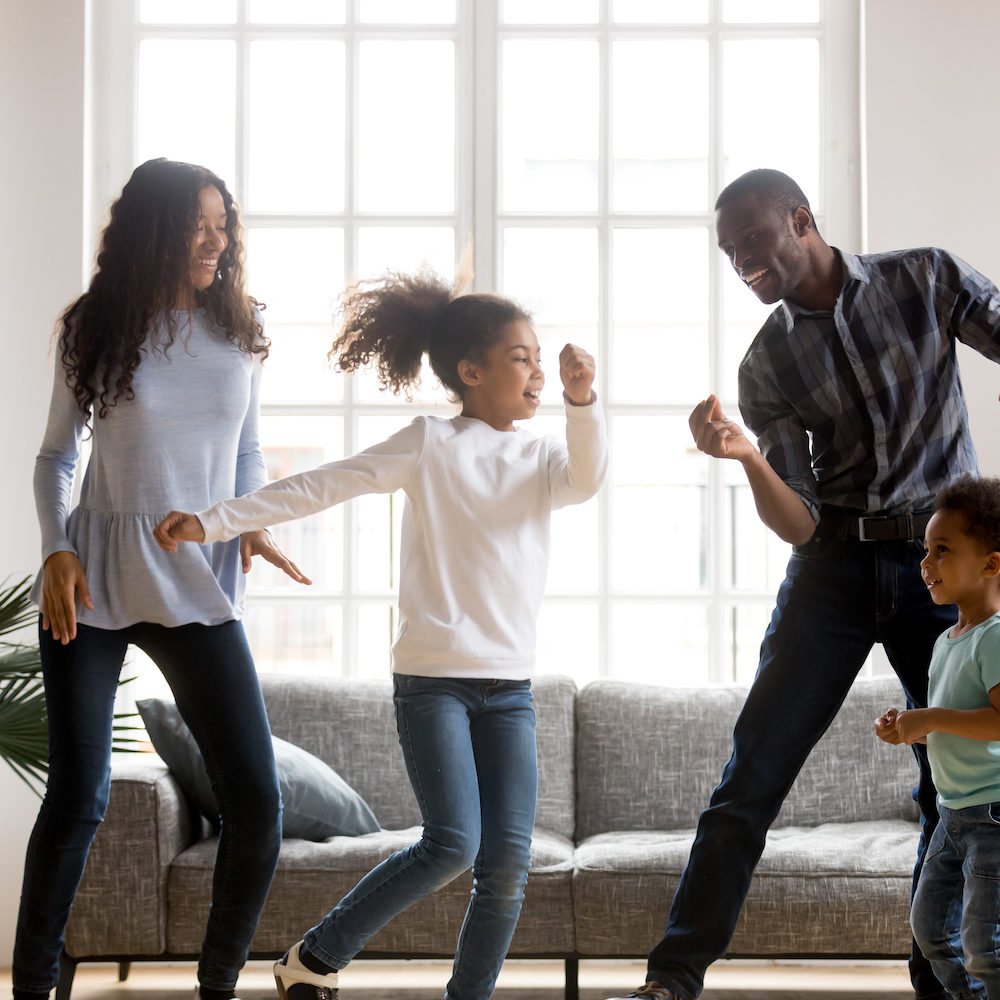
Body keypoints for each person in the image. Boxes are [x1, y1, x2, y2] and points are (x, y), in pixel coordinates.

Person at [154, 269, 609, 1000]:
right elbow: (323, 483)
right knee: (453, 843)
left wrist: (584, 402)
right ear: (471, 370)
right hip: (433, 683)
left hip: (512, 689)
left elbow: (587, 478)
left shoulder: (543, 457)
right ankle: (317, 953)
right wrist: (211, 521)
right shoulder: (431, 442)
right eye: (520, 356)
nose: (537, 369)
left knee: (508, 864)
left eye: (538, 355)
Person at [606, 167, 1000, 1000]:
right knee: (752, 775)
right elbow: (800, 523)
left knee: (954, 782)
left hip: (942, 563)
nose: (742, 260)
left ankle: (944, 978)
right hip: (834, 568)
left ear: (801, 219)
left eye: (752, 239)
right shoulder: (769, 361)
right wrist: (746, 456)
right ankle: (673, 977)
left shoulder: (923, 278)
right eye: (728, 252)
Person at [13, 158, 306, 1000]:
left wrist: (246, 522)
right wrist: (55, 550)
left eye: (224, 224)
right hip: (94, 579)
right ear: (154, 230)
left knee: (256, 801)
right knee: (78, 795)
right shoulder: (96, 324)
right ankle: (32, 986)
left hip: (195, 573)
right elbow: (55, 458)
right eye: (197, 225)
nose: (216, 240)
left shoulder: (239, 327)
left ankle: (217, 985)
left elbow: (246, 449)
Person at [876, 475, 1000, 1000]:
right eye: (926, 551)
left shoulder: (995, 636)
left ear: (991, 564)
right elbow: (949, 727)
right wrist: (908, 730)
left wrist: (929, 718)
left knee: (984, 947)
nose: (925, 564)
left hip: (992, 817)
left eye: (942, 551)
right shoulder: (946, 642)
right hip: (951, 815)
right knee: (930, 933)